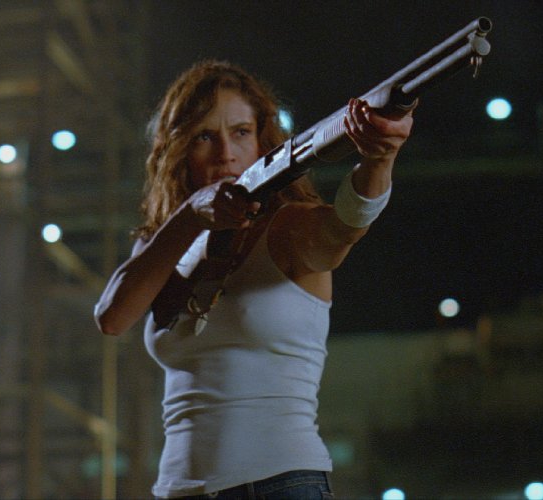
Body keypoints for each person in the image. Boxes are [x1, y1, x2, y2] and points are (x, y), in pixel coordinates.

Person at [94, 60, 414, 499]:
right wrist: (191, 215)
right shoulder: (166, 241)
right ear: (179, 150)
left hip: (276, 482)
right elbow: (112, 317)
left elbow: (344, 228)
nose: (225, 152)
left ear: (262, 141)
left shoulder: (287, 226)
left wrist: (380, 159)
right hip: (179, 490)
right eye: (205, 136)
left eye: (241, 132)